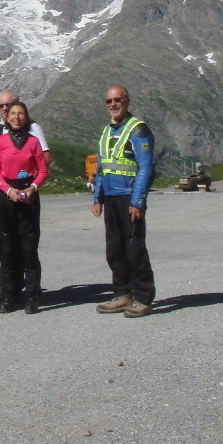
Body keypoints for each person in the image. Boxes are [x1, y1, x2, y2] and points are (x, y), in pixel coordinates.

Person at [92, 85, 156, 319]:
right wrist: (97, 198)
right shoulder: (107, 131)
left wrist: (138, 201)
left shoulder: (138, 130)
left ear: (127, 101)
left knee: (134, 248)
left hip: (129, 196)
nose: (113, 105)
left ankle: (143, 296)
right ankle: (122, 293)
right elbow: (101, 166)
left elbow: (146, 167)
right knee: (115, 248)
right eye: (109, 101)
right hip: (110, 197)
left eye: (117, 100)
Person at [0, 101, 49, 314]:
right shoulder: (1, 141)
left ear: (26, 117)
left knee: (29, 248)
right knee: (6, 249)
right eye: (13, 113)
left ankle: (32, 296)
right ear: (7, 116)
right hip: (6, 195)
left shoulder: (33, 142)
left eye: (21, 113)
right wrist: (8, 190)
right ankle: (8, 296)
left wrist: (33, 188)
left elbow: (42, 170)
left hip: (29, 196)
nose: (16, 117)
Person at [0, 88, 53, 165]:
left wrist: (32, 174)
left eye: (8, 105)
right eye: (1, 106)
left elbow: (46, 157)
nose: (4, 108)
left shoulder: (32, 127)